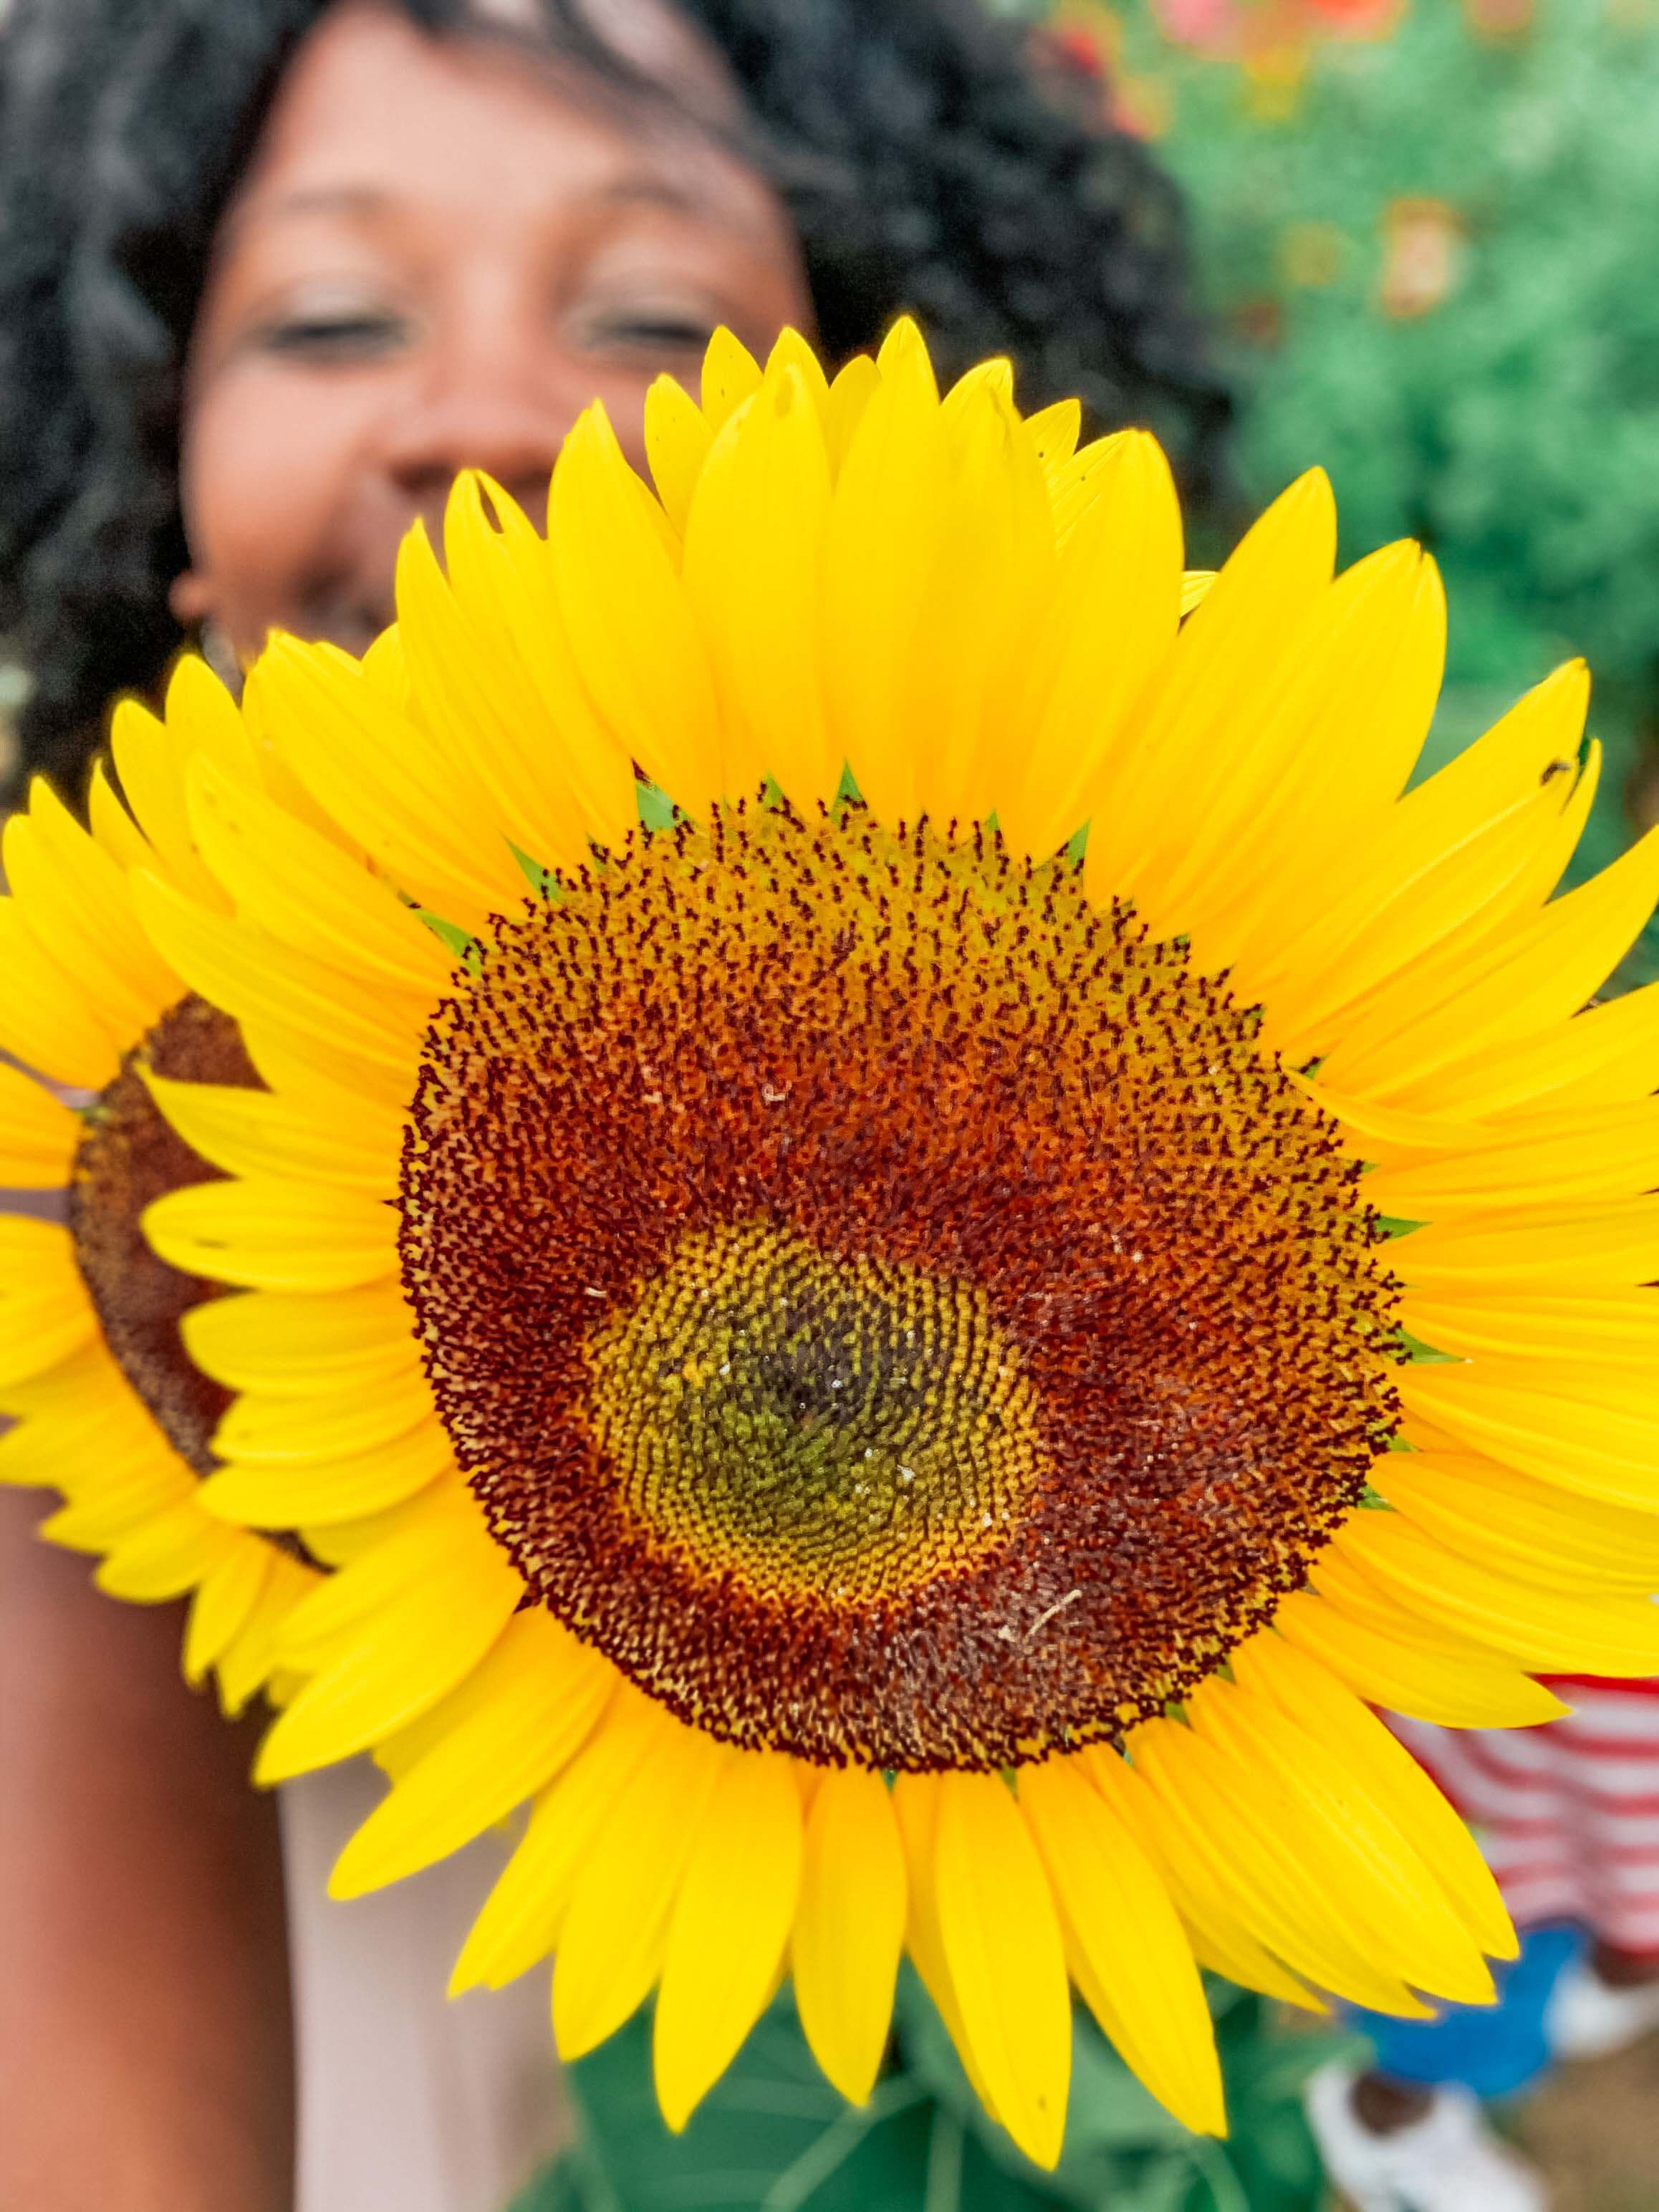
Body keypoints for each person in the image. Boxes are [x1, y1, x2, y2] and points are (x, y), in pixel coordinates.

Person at [0, 5, 1228, 2207]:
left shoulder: (1170, 1163)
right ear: (164, 501)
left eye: (651, 313)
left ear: (879, 446)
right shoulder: (67, 1201)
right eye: (334, 314)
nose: (479, 420)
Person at [1306, 1687, 1659, 2212]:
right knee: (1447, 2032)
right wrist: (1637, 1949)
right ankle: (1383, 2129)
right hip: (1489, 1877)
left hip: (1494, 1826)